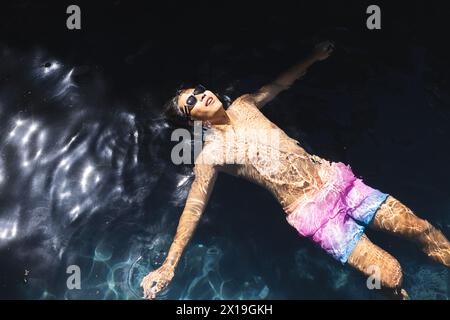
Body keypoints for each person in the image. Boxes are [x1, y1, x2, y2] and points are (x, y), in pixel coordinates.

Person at [140, 41, 450, 299]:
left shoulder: (244, 105)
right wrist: (170, 264)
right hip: (313, 213)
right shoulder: (210, 155)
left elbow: (279, 84)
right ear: (195, 121)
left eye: (198, 89)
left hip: (336, 180)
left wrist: (314, 57)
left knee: (421, 229)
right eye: (191, 101)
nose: (201, 94)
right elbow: (194, 208)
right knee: (391, 275)